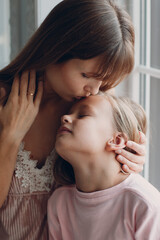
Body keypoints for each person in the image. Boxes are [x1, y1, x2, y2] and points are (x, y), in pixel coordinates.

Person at [0, 0, 146, 239]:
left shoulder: (90, 108)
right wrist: (9, 137)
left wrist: (129, 161)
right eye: (86, 75)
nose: (94, 89)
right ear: (55, 48)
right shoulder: (4, 100)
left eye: (104, 81)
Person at [48, 94, 160, 240]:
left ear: (117, 140)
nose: (64, 117)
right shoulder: (59, 202)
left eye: (83, 115)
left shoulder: (144, 204)